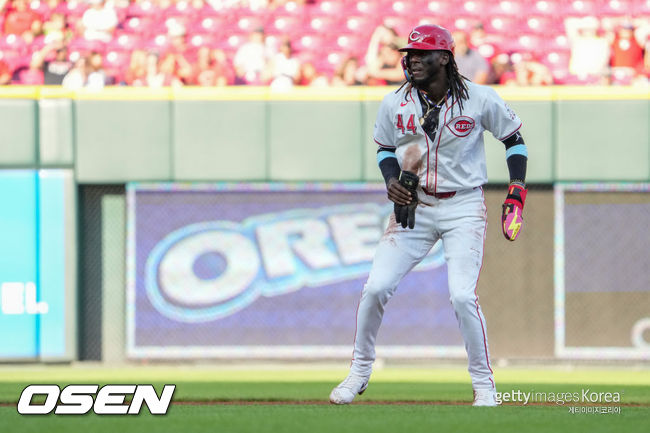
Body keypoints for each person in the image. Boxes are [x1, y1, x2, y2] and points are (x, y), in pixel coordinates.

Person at [329, 24, 529, 407]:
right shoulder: (395, 101)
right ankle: (359, 371)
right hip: (413, 206)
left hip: (463, 205)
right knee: (375, 287)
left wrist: (516, 191)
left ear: (445, 58)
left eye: (422, 54)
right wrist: (391, 181)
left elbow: (514, 140)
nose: (413, 59)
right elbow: (385, 148)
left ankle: (484, 385)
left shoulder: (479, 98)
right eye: (410, 54)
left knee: (461, 296)